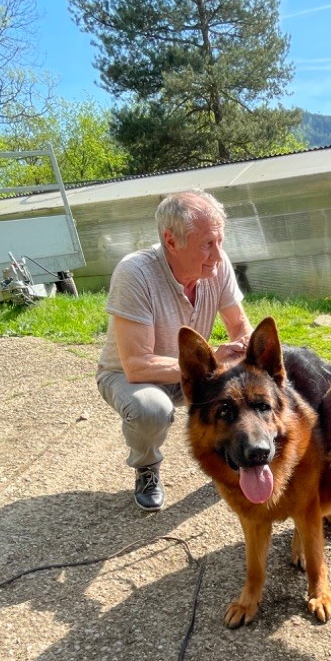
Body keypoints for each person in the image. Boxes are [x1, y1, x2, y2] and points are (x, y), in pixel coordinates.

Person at [97, 190, 253, 511]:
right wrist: (214, 362)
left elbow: (241, 328)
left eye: (220, 241)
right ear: (171, 241)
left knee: (247, 387)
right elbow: (137, 365)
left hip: (191, 371)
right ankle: (147, 466)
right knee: (151, 410)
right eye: (208, 243)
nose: (219, 255)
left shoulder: (215, 267)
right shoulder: (135, 273)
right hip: (130, 376)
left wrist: (243, 350)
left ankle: (232, 458)